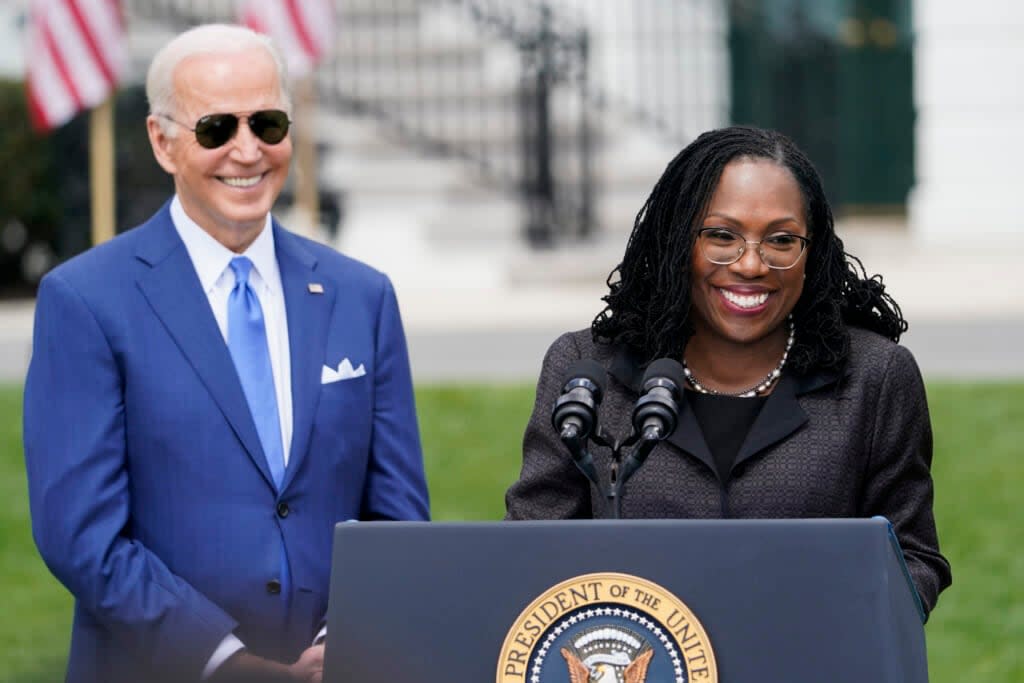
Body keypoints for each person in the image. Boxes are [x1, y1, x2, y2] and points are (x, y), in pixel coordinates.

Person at [23, 24, 430, 683]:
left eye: (268, 123)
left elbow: (400, 514)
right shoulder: (86, 301)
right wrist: (231, 663)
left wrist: (343, 644)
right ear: (163, 141)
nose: (248, 151)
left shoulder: (363, 296)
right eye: (216, 128)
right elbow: (82, 536)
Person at [505, 126, 951, 615]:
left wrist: (846, 623)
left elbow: (914, 556)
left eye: (781, 240)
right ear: (678, 240)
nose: (752, 264)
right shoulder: (586, 372)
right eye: (722, 236)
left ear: (812, 252)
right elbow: (530, 550)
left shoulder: (876, 377)